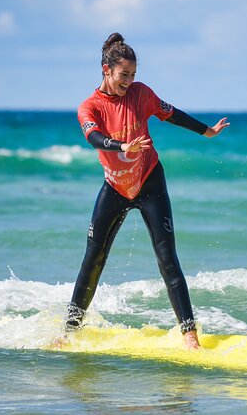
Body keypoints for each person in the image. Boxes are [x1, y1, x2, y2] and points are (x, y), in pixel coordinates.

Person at [63, 32, 229, 350]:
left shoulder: (141, 94)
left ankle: (190, 335)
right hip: (115, 186)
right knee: (93, 259)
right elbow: (94, 138)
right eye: (124, 75)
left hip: (149, 180)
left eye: (133, 75)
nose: (129, 81)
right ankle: (70, 332)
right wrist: (122, 144)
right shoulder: (90, 106)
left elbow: (171, 113)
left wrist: (206, 131)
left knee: (167, 258)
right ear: (105, 70)